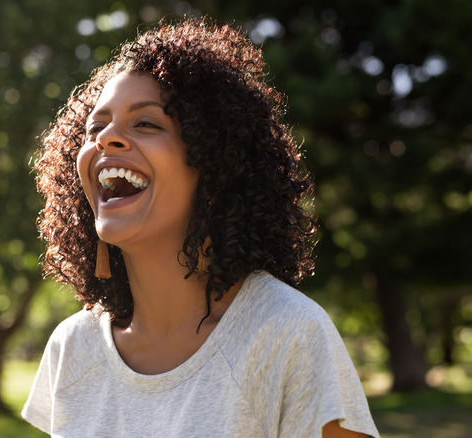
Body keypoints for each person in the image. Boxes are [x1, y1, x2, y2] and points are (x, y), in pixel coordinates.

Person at [23, 17, 379, 438]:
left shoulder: (288, 333)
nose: (105, 139)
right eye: (94, 128)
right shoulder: (72, 347)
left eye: (147, 123)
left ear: (213, 164)